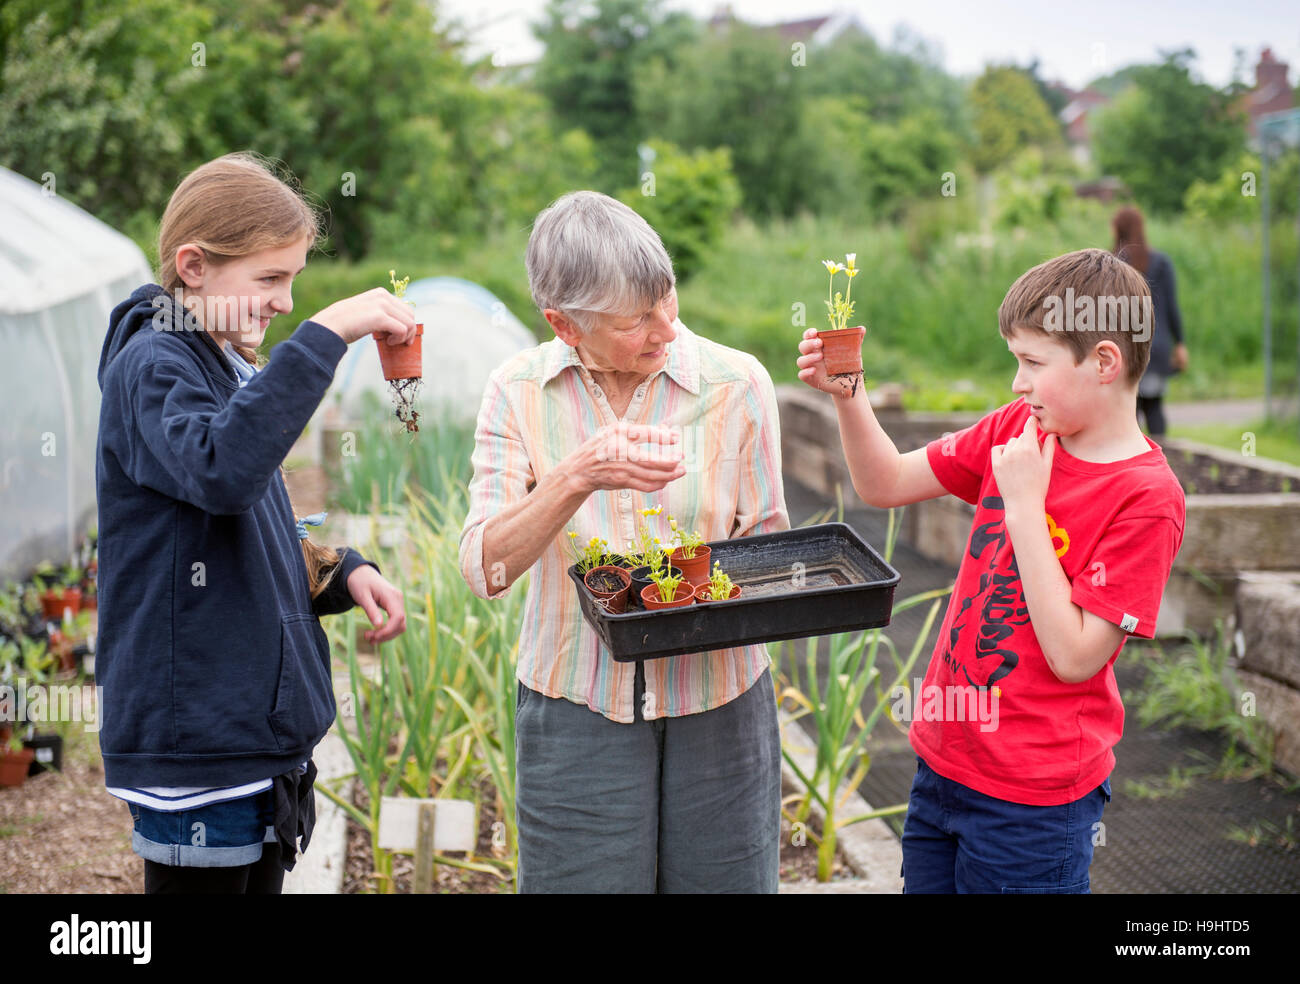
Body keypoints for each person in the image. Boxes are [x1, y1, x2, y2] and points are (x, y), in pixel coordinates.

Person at [797, 247, 1186, 893]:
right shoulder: (1018, 430)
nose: (1017, 384)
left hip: (1034, 803)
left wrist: (1026, 506)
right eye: (1015, 361)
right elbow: (885, 481)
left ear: (1105, 362)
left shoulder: (1146, 497)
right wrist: (849, 395)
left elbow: (1074, 657)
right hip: (943, 767)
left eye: (1033, 363)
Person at [95, 152, 414, 894]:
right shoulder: (153, 365)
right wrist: (328, 333)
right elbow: (222, 471)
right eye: (269, 279)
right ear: (193, 266)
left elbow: (246, 524)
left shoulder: (217, 363)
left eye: (295, 280)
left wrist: (341, 571)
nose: (285, 300)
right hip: (200, 743)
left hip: (248, 741)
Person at [459, 190, 790, 893]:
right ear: (563, 324)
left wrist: (718, 593)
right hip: (575, 703)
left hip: (721, 701)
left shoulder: (738, 384)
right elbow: (484, 568)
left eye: (665, 297)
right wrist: (578, 475)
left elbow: (768, 550)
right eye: (638, 318)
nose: (666, 328)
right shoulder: (517, 391)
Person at [1112, 206, 1188, 440]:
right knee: (1154, 406)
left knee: (1128, 411)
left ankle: (1130, 464)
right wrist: (1180, 343)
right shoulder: (1161, 262)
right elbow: (1171, 306)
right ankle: (1162, 460)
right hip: (1157, 345)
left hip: (1124, 347)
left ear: (1117, 230)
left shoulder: (1111, 264)